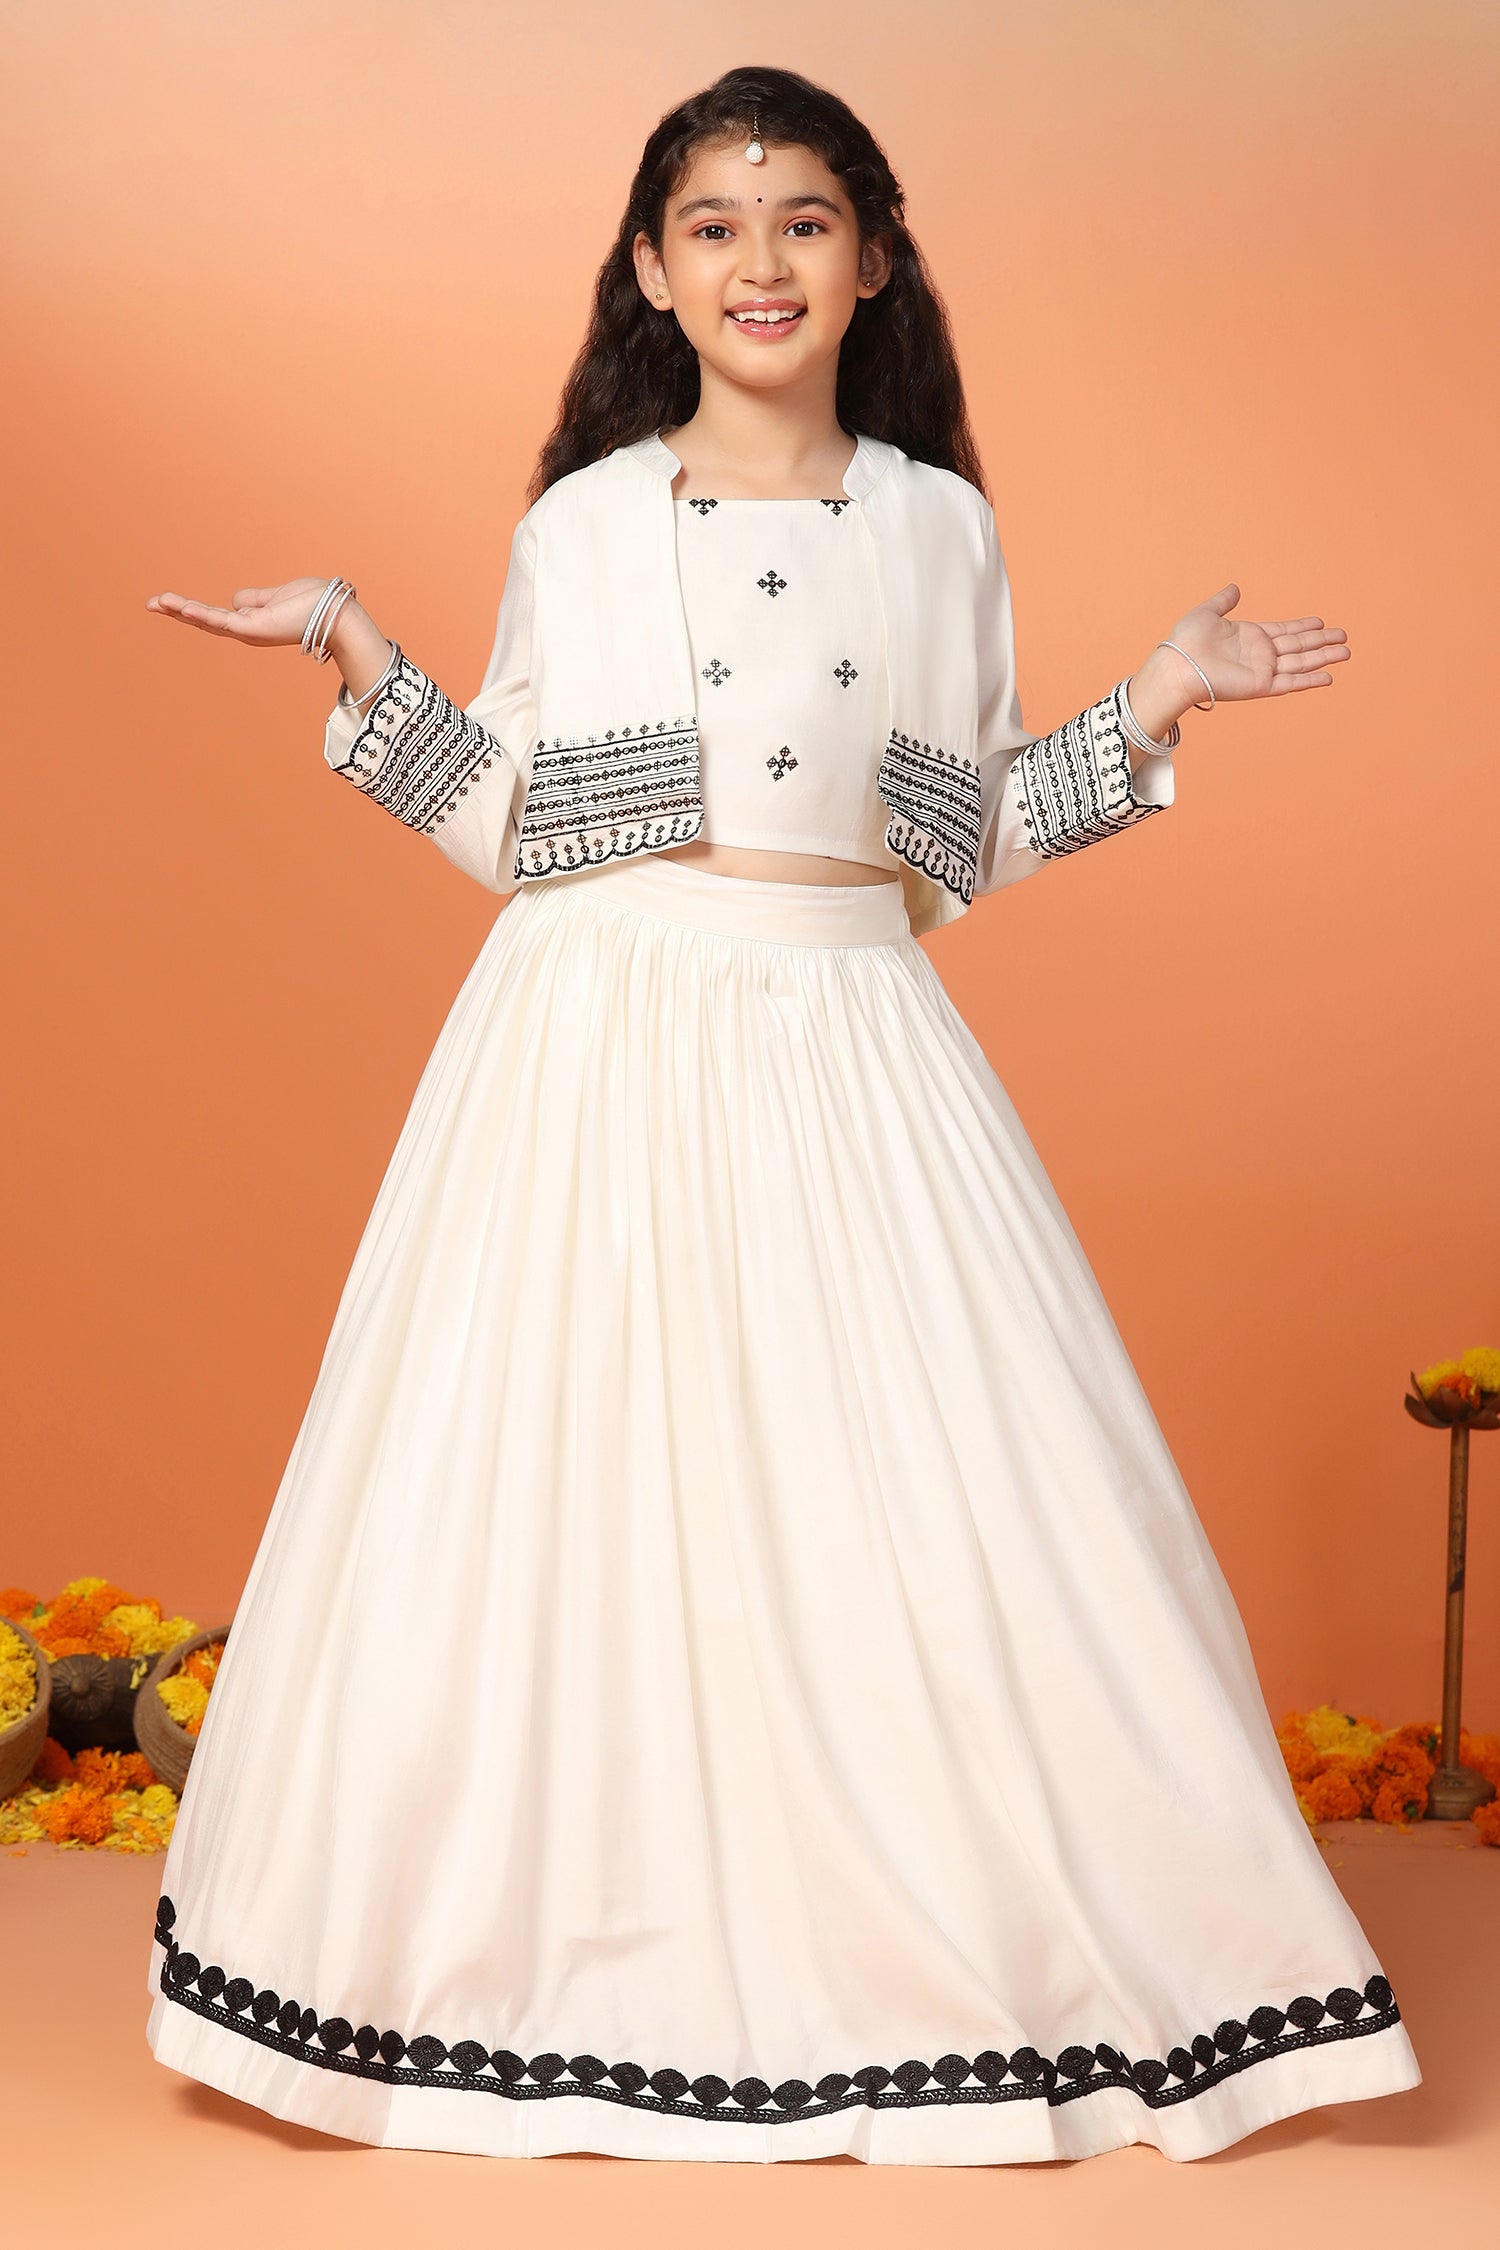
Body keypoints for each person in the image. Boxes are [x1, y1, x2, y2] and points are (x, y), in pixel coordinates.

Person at [140, 64, 1420, 2166]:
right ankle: (559, 1968)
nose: (761, 259)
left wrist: (1152, 704)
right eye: (715, 226)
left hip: (847, 1029)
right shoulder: (583, 523)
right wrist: (359, 655)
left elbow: (950, 842)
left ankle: (916, 1944)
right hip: (598, 1032)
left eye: (804, 220)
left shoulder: (935, 526)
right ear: (650, 272)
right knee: (574, 1494)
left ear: (874, 260)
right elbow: (525, 829)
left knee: (914, 1493)